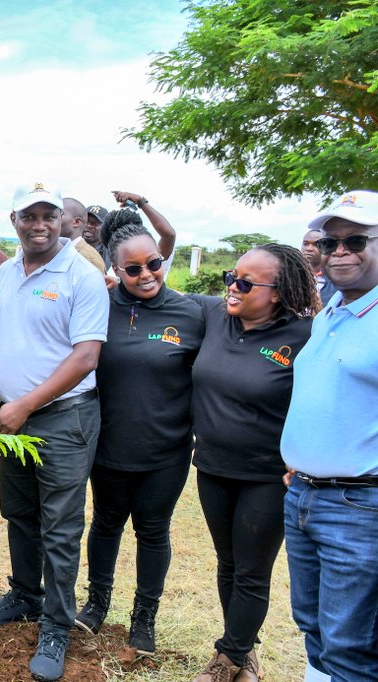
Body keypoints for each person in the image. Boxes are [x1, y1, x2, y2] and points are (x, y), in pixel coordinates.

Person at [0, 181, 108, 682]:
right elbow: (9, 340)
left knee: (61, 525)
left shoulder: (82, 276)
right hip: (13, 416)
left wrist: (24, 404)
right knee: (20, 513)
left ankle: (57, 625)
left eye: (48, 215)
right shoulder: (8, 272)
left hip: (63, 418)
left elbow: (85, 357)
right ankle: (25, 596)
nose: (39, 225)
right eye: (29, 216)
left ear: (62, 220)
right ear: (15, 221)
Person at [74, 210, 205, 656]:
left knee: (153, 532)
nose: (146, 274)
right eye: (132, 269)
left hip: (166, 453)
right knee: (106, 524)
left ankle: (144, 618)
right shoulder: (99, 306)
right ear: (115, 269)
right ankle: (96, 604)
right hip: (107, 446)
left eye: (153, 263)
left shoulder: (191, 312)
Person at [188, 244, 319, 682]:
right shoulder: (213, 316)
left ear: (278, 293)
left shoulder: (304, 335)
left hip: (267, 476)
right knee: (228, 564)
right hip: (212, 468)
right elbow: (156, 296)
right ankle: (244, 652)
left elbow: (324, 397)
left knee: (251, 571)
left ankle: (226, 661)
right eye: (231, 276)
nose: (232, 287)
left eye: (246, 283)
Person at [282, 190, 378, 682]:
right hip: (304, 496)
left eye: (356, 240)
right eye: (331, 241)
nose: (339, 251)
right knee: (315, 629)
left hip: (359, 506)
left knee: (352, 645)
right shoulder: (330, 312)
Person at [60, 198, 107, 275]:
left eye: (94, 223)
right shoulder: (61, 248)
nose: (88, 225)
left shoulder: (91, 257)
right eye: (87, 221)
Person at [300, 228, 338, 306]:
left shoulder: (338, 281)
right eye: (305, 243)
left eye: (316, 245)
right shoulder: (291, 277)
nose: (309, 248)